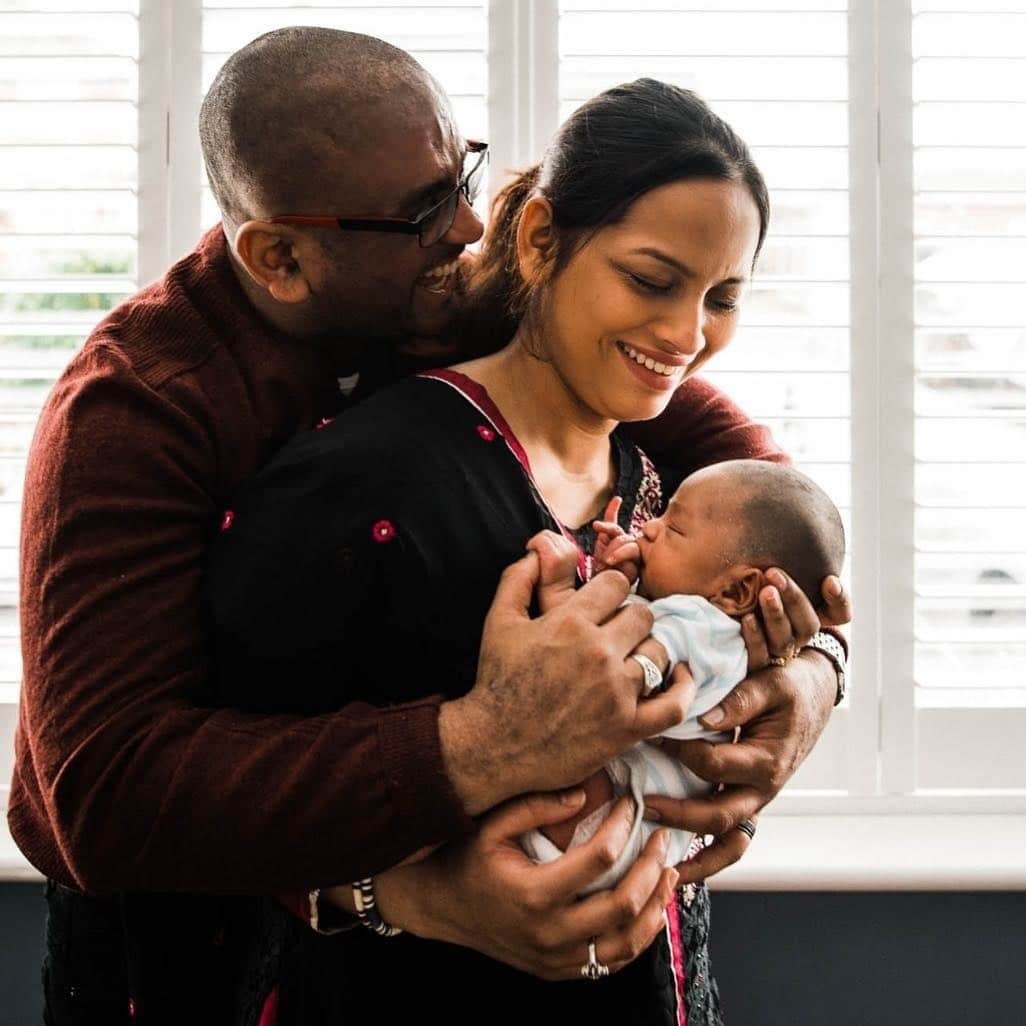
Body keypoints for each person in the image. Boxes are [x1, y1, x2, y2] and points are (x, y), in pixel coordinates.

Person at [8, 28, 849, 1026]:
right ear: (279, 256)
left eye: (463, 175)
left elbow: (770, 508)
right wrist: (427, 845)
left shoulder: (474, 301)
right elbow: (106, 799)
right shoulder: (140, 408)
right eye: (420, 214)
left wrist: (813, 670)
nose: (466, 225)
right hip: (193, 964)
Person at [521, 459, 846, 893]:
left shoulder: (709, 632)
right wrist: (614, 575)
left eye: (673, 530)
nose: (649, 529)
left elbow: (608, 671)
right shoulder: (685, 610)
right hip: (629, 822)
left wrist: (568, 593)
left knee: (556, 771)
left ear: (735, 591)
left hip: (621, 827)